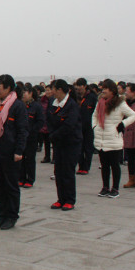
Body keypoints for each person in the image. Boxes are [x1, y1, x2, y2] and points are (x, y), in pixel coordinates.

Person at [0, 74, 28, 230]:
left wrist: (19, 150)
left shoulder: (17, 106)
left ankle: (11, 216)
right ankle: (1, 215)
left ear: (8, 88)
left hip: (10, 152)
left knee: (11, 186)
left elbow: (22, 130)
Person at [92, 79, 135, 198]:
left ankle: (115, 188)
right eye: (102, 88)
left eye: (105, 88)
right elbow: (94, 115)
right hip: (101, 138)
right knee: (104, 166)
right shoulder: (100, 102)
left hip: (113, 139)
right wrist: (95, 126)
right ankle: (105, 187)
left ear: (112, 90)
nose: (103, 91)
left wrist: (122, 124)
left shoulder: (120, 103)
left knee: (115, 165)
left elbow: (133, 115)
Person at [47, 79, 82, 211]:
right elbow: (49, 119)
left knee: (68, 171)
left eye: (53, 89)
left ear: (60, 90)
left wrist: (55, 134)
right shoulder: (53, 102)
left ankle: (69, 200)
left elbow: (69, 124)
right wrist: (52, 134)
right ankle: (60, 199)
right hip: (58, 142)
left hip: (70, 142)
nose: (52, 91)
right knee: (58, 171)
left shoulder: (72, 105)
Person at [21, 86, 45, 188]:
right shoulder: (20, 105)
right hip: (21, 136)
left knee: (30, 158)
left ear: (31, 93)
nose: (23, 95)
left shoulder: (36, 106)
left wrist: (32, 130)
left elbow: (40, 121)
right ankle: (21, 178)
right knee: (21, 158)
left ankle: (30, 179)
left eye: (25, 92)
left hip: (31, 137)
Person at [74, 78, 96, 175]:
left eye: (80, 86)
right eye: (77, 86)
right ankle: (80, 166)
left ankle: (86, 167)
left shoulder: (92, 97)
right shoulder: (75, 96)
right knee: (79, 148)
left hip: (89, 126)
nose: (78, 88)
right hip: (78, 126)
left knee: (88, 148)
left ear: (85, 86)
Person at [38, 85, 53, 163]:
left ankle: (54, 157)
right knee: (46, 142)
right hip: (44, 123)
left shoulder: (55, 100)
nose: (47, 92)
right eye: (46, 90)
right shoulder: (42, 100)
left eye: (49, 90)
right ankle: (47, 157)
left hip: (52, 123)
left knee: (53, 142)